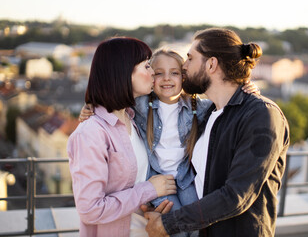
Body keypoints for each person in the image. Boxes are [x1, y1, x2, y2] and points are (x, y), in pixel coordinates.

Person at [78, 48, 259, 237]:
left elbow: (225, 100)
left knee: (197, 223)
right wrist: (91, 105)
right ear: (151, 78)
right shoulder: (141, 105)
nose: (166, 79)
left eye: (174, 73)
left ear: (184, 77)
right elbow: (114, 99)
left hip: (185, 178)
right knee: (174, 227)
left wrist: (246, 89)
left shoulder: (197, 107)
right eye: (158, 73)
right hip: (159, 179)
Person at [144, 28, 290, 237]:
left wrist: (168, 223)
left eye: (190, 58)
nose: (184, 67)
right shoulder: (208, 113)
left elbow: (236, 195)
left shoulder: (261, 115)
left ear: (211, 64)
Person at [67, 37, 177, 237]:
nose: (153, 73)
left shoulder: (133, 119)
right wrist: (149, 190)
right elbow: (91, 210)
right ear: (123, 72)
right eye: (146, 66)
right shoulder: (91, 133)